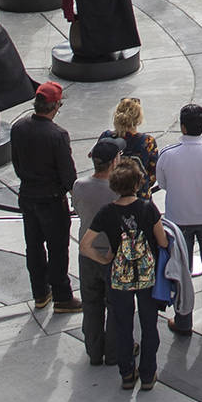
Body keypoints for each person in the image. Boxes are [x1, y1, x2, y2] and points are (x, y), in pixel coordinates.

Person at [82, 156, 169, 392]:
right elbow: (162, 241)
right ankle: (148, 374)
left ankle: (127, 374)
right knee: (149, 325)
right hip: (146, 274)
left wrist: (105, 259)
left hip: (119, 276)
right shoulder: (147, 208)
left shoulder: (106, 212)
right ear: (138, 182)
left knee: (122, 325)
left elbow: (85, 245)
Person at [12, 82, 81, 315]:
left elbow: (17, 164)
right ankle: (62, 297)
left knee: (33, 246)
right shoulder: (58, 135)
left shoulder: (18, 128)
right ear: (55, 106)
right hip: (51, 201)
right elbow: (68, 175)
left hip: (28, 196)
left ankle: (40, 293)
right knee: (58, 249)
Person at [73, 137, 125, 365]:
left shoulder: (80, 186)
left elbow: (76, 208)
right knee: (115, 307)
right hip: (113, 255)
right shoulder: (118, 193)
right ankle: (113, 353)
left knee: (91, 305)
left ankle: (94, 351)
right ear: (114, 162)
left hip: (87, 254)